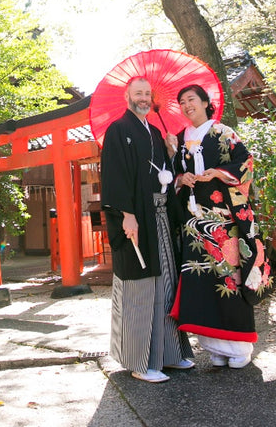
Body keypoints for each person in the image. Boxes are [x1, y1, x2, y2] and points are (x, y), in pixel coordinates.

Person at [167, 84, 273, 369]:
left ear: (205, 102)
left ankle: (239, 347)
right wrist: (181, 179)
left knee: (230, 280)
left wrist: (220, 173)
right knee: (200, 282)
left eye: (192, 99)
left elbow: (245, 163)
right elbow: (174, 174)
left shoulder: (224, 133)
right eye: (182, 102)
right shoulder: (179, 139)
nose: (187, 105)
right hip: (193, 224)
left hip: (223, 221)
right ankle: (214, 346)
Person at [101, 76, 194, 383]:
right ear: (128, 97)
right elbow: (115, 176)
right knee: (141, 290)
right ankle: (140, 361)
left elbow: (163, 177)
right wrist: (126, 215)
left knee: (166, 283)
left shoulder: (155, 132)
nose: (143, 98)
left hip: (161, 218)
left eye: (146, 94)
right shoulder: (118, 130)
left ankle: (169, 354)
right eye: (137, 93)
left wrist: (169, 153)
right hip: (137, 218)